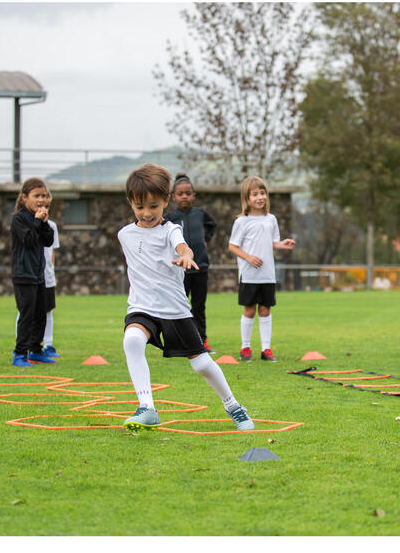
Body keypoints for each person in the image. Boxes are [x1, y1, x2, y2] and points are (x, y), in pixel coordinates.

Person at [117, 163, 253, 431]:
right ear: (131, 203)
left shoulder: (171, 230)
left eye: (154, 207)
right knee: (132, 339)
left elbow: (183, 247)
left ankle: (233, 405)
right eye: (139, 207)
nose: (146, 213)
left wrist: (186, 255)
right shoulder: (124, 234)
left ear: (166, 201)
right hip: (142, 308)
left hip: (175, 311)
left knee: (202, 364)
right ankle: (147, 407)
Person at [228, 175, 295, 362]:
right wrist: (248, 257)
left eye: (262, 193)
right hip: (249, 276)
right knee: (249, 310)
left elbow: (272, 242)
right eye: (255, 194)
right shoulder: (242, 221)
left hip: (267, 275)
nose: (260, 197)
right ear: (247, 199)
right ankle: (245, 348)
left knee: (265, 310)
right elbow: (232, 246)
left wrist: (282, 244)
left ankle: (266, 349)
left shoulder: (271, 219)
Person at [165, 173, 217, 353]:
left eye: (188, 193)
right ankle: (179, 342)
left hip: (200, 267)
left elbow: (213, 225)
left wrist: (205, 240)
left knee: (198, 306)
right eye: (180, 193)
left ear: (193, 195)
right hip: (180, 271)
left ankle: (202, 340)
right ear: (173, 197)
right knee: (179, 306)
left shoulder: (201, 214)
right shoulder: (170, 218)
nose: (184, 196)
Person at [11, 177, 56, 367]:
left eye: (44, 196)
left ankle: (36, 351)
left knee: (40, 314)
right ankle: (20, 353)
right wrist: (37, 222)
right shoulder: (19, 218)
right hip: (23, 274)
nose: (41, 200)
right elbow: (28, 240)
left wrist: (44, 223)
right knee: (27, 314)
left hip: (38, 275)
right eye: (36, 196)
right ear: (24, 198)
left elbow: (48, 241)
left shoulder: (39, 217)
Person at [41, 192, 61, 357]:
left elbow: (51, 252)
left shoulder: (52, 226)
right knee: (27, 311)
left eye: (47, 207)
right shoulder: (29, 224)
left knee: (48, 310)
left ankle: (48, 344)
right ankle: (23, 344)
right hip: (32, 276)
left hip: (47, 277)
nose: (44, 209)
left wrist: (52, 273)